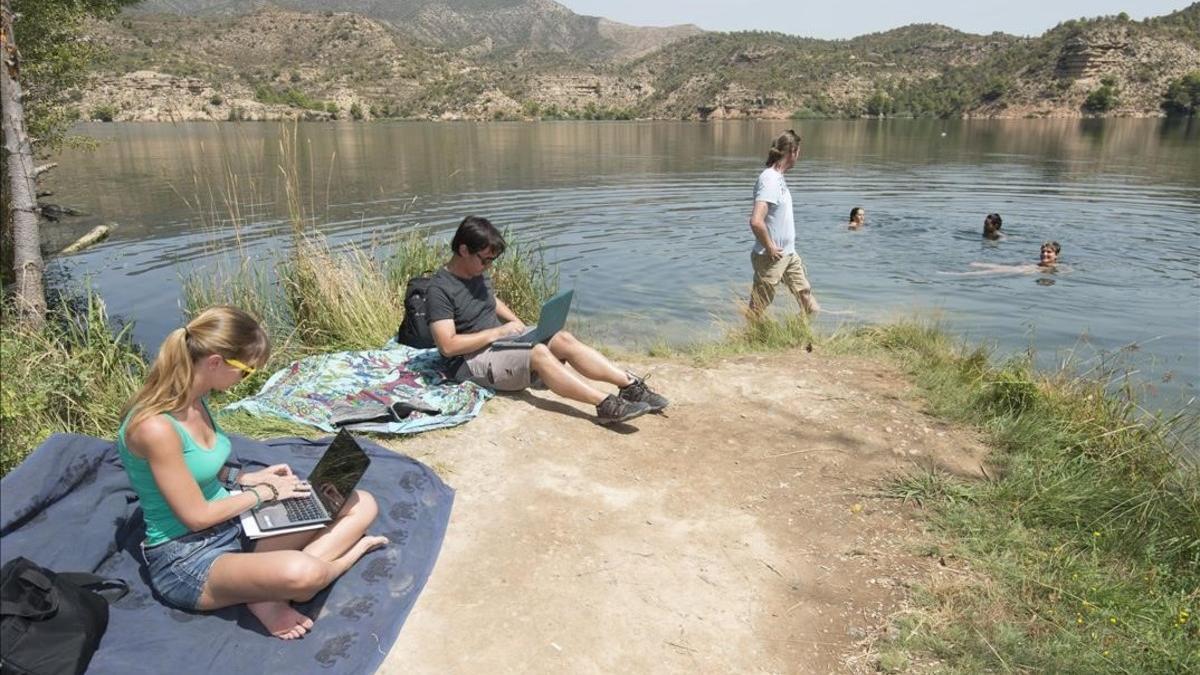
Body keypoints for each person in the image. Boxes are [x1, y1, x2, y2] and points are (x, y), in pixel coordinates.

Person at [117, 306, 386, 640]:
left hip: (233, 525)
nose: (248, 378)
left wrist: (244, 479)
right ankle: (305, 577)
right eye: (246, 371)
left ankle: (263, 590)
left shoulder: (195, 398)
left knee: (360, 502)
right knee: (305, 573)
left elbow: (197, 471)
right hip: (188, 557)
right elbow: (196, 516)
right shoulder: (155, 427)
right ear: (215, 362)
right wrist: (264, 494)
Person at [427, 216, 668, 425]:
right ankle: (604, 404)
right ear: (463, 249)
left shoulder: (475, 272)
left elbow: (490, 299)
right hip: (467, 362)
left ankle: (630, 387)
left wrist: (516, 324)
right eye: (485, 260)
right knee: (539, 353)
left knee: (562, 338)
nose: (488, 266)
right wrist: (498, 333)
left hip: (499, 345)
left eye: (492, 261)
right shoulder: (439, 289)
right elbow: (447, 346)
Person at [747, 129, 820, 317]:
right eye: (798, 151)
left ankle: (800, 338)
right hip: (771, 257)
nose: (799, 156)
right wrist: (770, 246)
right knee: (757, 309)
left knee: (809, 304)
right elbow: (756, 221)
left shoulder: (778, 178)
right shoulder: (769, 180)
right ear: (792, 151)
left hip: (788, 253)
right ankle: (747, 340)